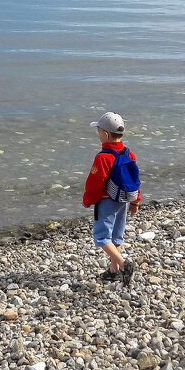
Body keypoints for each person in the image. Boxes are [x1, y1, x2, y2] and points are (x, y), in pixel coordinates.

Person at [82, 111, 140, 286]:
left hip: (106, 201)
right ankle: (114, 270)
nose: (98, 134)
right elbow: (135, 180)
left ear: (106, 134)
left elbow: (95, 183)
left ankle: (123, 264)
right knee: (116, 236)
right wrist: (136, 201)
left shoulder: (102, 157)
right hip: (123, 200)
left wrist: (87, 200)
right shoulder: (129, 154)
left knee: (101, 237)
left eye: (99, 131)